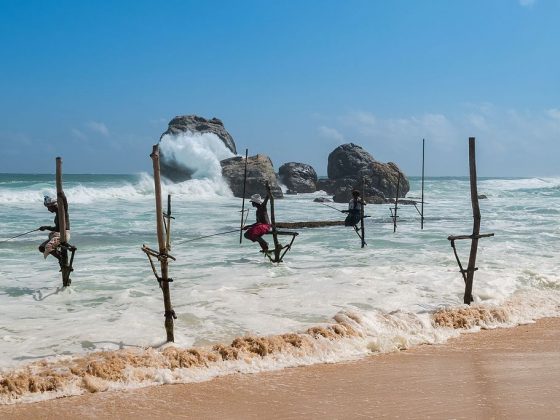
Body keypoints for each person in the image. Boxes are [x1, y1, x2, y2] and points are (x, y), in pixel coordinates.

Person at [38, 193, 70, 262]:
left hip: (63, 234)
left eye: (48, 208)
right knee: (41, 248)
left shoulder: (62, 212)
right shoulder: (57, 215)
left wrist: (63, 196)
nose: (48, 210)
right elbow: (57, 228)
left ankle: (62, 259)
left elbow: (65, 205)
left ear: (53, 206)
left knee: (48, 247)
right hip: (57, 234)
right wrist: (45, 227)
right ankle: (60, 255)